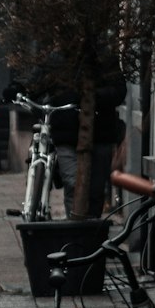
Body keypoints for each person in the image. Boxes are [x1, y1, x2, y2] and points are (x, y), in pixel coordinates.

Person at [46, 71, 127, 218]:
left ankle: (92, 230)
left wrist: (91, 96)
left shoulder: (103, 56)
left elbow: (119, 91)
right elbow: (39, 78)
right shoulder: (57, 55)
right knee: (72, 184)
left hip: (100, 135)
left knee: (95, 190)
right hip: (67, 134)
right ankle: (75, 228)